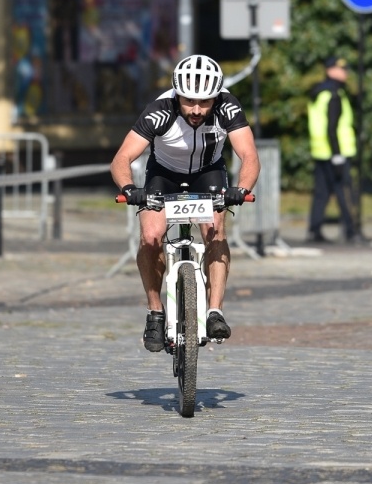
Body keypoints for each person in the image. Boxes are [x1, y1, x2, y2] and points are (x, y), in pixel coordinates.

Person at [110, 54, 260, 351]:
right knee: (151, 236)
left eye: (204, 102)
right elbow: (122, 159)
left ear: (216, 97)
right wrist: (130, 188)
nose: (195, 109)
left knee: (215, 229)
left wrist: (240, 189)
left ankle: (214, 311)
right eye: (189, 101)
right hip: (163, 174)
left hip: (208, 172)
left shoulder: (228, 108)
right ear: (177, 94)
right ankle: (155, 313)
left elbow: (249, 155)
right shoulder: (159, 111)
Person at [306, 55, 359, 243]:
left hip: (320, 151)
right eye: (342, 69)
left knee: (321, 192)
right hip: (336, 152)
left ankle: (315, 230)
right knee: (344, 191)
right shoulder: (334, 94)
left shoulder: (319, 92)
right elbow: (332, 128)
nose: (346, 73)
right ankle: (352, 231)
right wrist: (337, 155)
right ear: (330, 70)